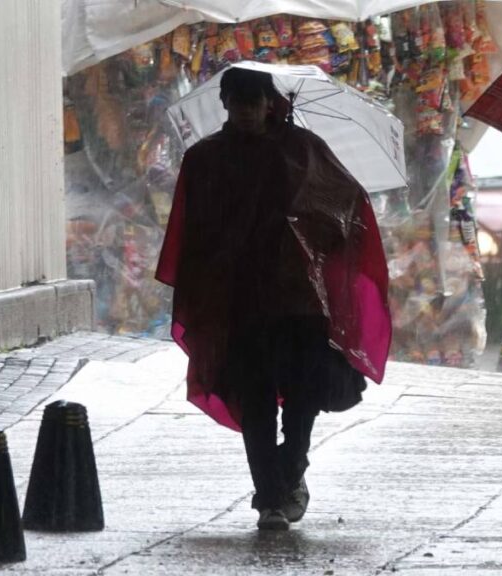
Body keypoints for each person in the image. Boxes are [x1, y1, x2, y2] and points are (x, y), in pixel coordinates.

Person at [155, 67, 391, 531]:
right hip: (239, 299)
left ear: (269, 102)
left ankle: (290, 471)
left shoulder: (303, 150)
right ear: (224, 104)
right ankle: (270, 494)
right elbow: (194, 232)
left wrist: (301, 214)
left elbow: (345, 209)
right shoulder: (206, 158)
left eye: (253, 100)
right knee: (256, 395)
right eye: (237, 100)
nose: (245, 110)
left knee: (302, 394)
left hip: (298, 299)